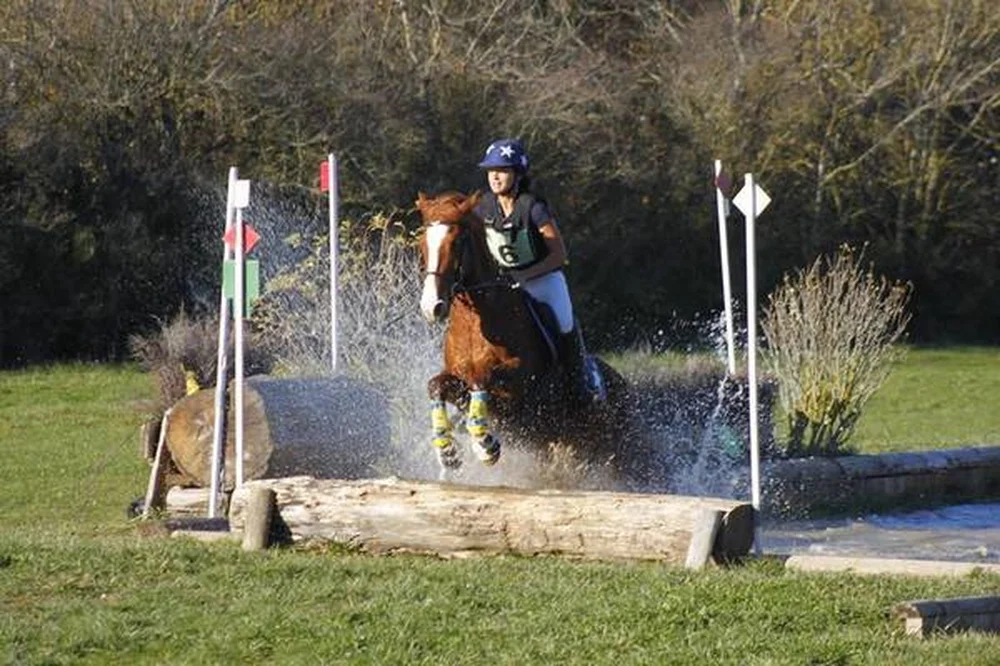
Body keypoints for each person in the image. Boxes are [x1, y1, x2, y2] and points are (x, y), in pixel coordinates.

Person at [474, 138, 604, 403]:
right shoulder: (483, 207)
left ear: (517, 174)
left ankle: (582, 380)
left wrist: (525, 276)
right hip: (503, 284)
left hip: (543, 280)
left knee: (565, 323)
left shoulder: (533, 207)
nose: (495, 177)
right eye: (491, 171)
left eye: (502, 171)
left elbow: (559, 254)